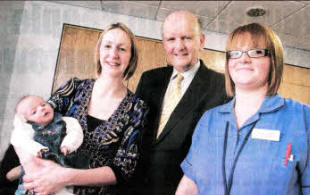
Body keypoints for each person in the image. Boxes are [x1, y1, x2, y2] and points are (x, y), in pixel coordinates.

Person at [13, 22, 149, 195]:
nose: (113, 54)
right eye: (107, 46)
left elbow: (123, 170)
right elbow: (26, 125)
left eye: (122, 49)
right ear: (99, 50)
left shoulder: (137, 109)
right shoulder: (73, 88)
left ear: (131, 57)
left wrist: (63, 177)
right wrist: (32, 169)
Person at [176, 23, 310, 195]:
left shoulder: (302, 118)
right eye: (235, 53)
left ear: (274, 60)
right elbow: (190, 183)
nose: (243, 59)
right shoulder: (209, 120)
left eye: (256, 52)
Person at [133, 10, 227, 194]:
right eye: (171, 39)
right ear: (163, 43)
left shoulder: (222, 87)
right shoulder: (149, 79)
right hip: (134, 187)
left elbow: (215, 154)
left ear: (201, 41)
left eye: (186, 38)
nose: (179, 46)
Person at [11, 95, 85, 195]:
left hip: (61, 164)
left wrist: (68, 145)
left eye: (43, 104)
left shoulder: (66, 121)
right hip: (37, 168)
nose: (41, 108)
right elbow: (21, 140)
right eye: (34, 112)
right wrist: (37, 149)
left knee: (63, 189)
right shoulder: (28, 129)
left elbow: (76, 132)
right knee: (28, 188)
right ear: (27, 120)